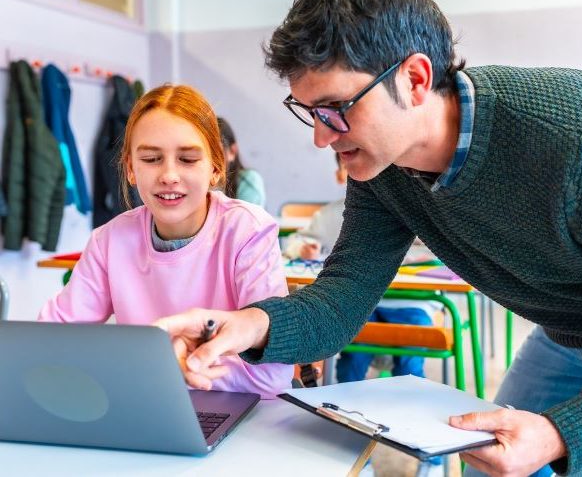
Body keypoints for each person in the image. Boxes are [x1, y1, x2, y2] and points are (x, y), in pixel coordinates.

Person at [154, 0, 582, 476]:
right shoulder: (383, 167)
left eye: (337, 107)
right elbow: (343, 297)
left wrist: (563, 433)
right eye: (310, 113)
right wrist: (245, 325)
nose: (321, 137)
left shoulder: (578, 139)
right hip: (567, 337)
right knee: (489, 465)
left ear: (414, 79)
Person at [39, 84, 292, 399]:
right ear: (131, 168)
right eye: (151, 158)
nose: (169, 175)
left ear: (215, 167)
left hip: (237, 416)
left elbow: (272, 377)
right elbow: (49, 341)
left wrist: (161, 371)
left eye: (187, 159)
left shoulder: (248, 231)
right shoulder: (109, 240)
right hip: (143, 405)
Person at [284, 152, 435, 382]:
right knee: (353, 356)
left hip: (410, 302)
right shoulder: (329, 216)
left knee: (410, 362)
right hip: (360, 305)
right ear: (339, 175)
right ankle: (340, 409)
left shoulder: (407, 210)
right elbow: (295, 242)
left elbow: (435, 252)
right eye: (347, 165)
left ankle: (408, 413)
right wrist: (303, 248)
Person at [217, 117, 266, 207]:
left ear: (232, 151)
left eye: (216, 153)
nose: (211, 161)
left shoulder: (248, 180)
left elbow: (247, 220)